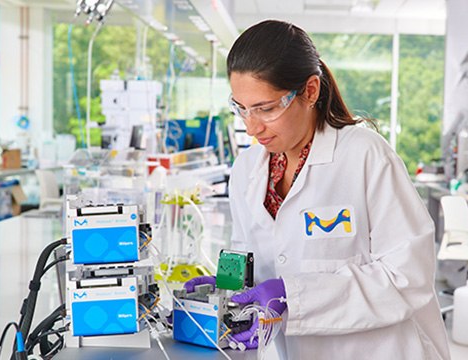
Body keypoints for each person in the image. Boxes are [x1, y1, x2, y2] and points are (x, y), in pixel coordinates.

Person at [185, 20, 450, 359]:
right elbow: (252, 260)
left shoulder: (364, 155)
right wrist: (224, 289)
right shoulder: (248, 168)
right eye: (241, 108)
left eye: (265, 108)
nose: (252, 127)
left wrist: (292, 298)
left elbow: (407, 276)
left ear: (310, 91)